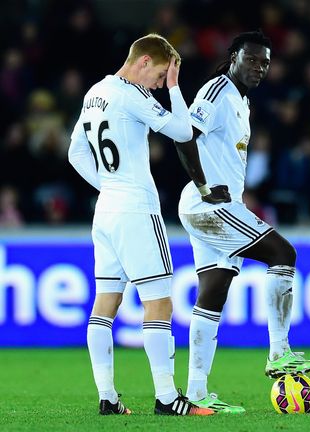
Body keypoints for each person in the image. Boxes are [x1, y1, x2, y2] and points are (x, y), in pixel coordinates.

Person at [68, 33, 228, 416]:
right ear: (143, 62)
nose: (158, 84)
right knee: (159, 303)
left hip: (105, 209)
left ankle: (107, 398)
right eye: (158, 75)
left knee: (104, 304)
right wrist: (174, 89)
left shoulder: (94, 92)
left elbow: (76, 151)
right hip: (136, 208)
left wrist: (108, 185)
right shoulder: (131, 94)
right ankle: (168, 398)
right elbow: (183, 131)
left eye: (163, 81)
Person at [177, 30, 310, 414]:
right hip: (207, 203)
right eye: (252, 59)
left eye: (265, 62)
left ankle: (195, 393)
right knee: (282, 253)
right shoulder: (217, 91)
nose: (259, 67)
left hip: (213, 205)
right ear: (233, 57)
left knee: (213, 293)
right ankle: (279, 352)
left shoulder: (241, 101)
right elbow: (183, 134)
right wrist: (203, 183)